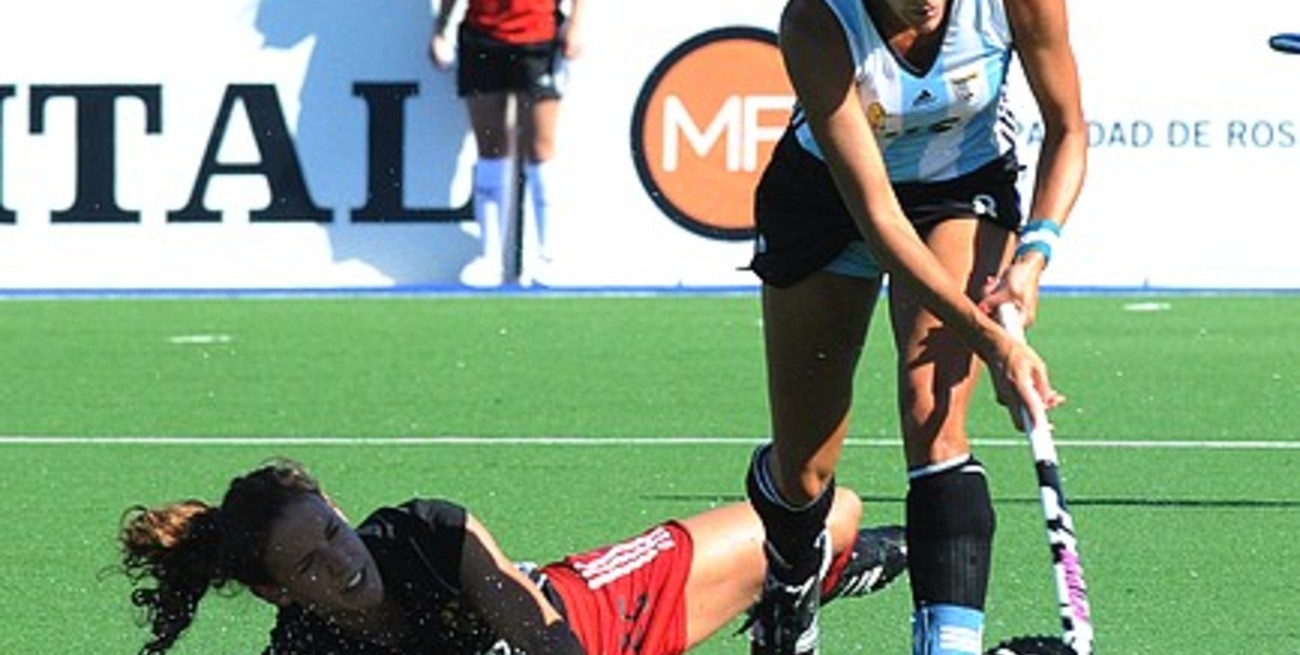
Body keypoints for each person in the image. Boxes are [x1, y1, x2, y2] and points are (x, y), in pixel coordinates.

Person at [740, 1, 1086, 655]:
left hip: (962, 185)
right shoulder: (817, 22)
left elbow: (1069, 129)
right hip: (829, 201)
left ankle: (947, 645)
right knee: (804, 471)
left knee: (935, 417)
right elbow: (879, 216)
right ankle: (791, 586)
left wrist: (1033, 255)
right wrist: (994, 339)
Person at [118, 458, 908, 655]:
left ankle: (825, 574)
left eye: (332, 532)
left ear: (339, 508)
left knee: (829, 515)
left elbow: (545, 635)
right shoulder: (302, 648)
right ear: (274, 592)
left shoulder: (427, 532)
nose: (341, 562)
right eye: (309, 566)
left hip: (583, 616)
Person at [429, 0, 588, 287]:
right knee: (491, 149)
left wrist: (576, 23)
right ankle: (490, 258)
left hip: (539, 37)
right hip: (482, 38)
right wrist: (441, 28)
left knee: (541, 148)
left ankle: (549, 256)